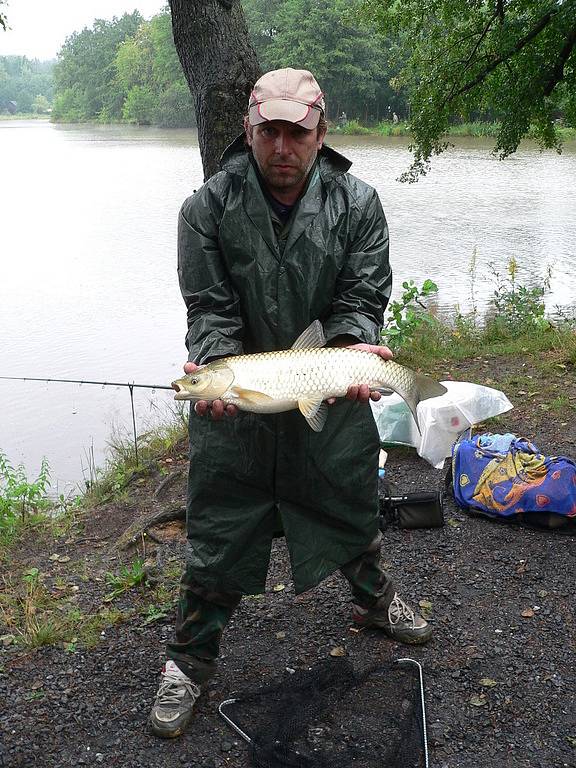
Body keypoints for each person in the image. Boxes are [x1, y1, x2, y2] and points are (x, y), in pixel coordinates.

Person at [149, 67, 431, 739]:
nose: (281, 147)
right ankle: (188, 663)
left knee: (347, 509)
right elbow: (210, 310)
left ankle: (375, 603)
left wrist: (355, 351)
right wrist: (213, 372)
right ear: (248, 131)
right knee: (217, 543)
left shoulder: (357, 204)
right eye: (268, 132)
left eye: (295, 133)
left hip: (326, 401)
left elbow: (361, 300)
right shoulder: (205, 209)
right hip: (239, 414)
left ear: (319, 132)